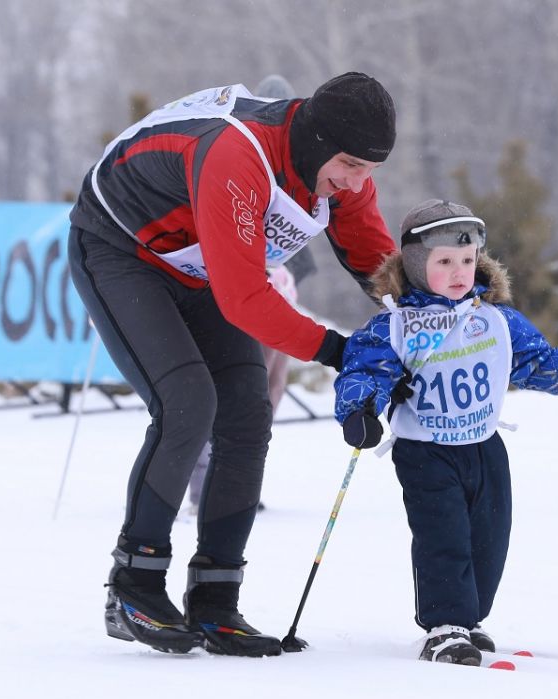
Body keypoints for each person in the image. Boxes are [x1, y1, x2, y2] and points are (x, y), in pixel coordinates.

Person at [67, 72, 397, 658]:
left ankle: (216, 598)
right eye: (349, 164)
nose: (355, 183)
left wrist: (431, 320)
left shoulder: (343, 171)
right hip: (121, 250)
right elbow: (244, 300)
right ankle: (134, 584)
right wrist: (342, 353)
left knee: (247, 413)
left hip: (196, 264)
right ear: (318, 142)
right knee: (188, 403)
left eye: (370, 170)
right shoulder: (236, 154)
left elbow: (377, 264)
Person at [333, 200, 558, 665]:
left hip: (484, 446)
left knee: (489, 538)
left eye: (467, 261)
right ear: (414, 263)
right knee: (443, 536)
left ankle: (468, 618)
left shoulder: (495, 318)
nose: (458, 272)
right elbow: (365, 371)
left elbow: (533, 361)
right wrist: (361, 409)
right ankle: (445, 625)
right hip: (426, 449)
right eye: (444, 262)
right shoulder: (396, 324)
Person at [185, 75, 321, 513]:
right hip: (240, 290)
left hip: (281, 288)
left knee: (270, 390)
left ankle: (241, 480)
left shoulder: (301, 159)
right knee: (233, 392)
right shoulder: (242, 148)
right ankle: (207, 485)